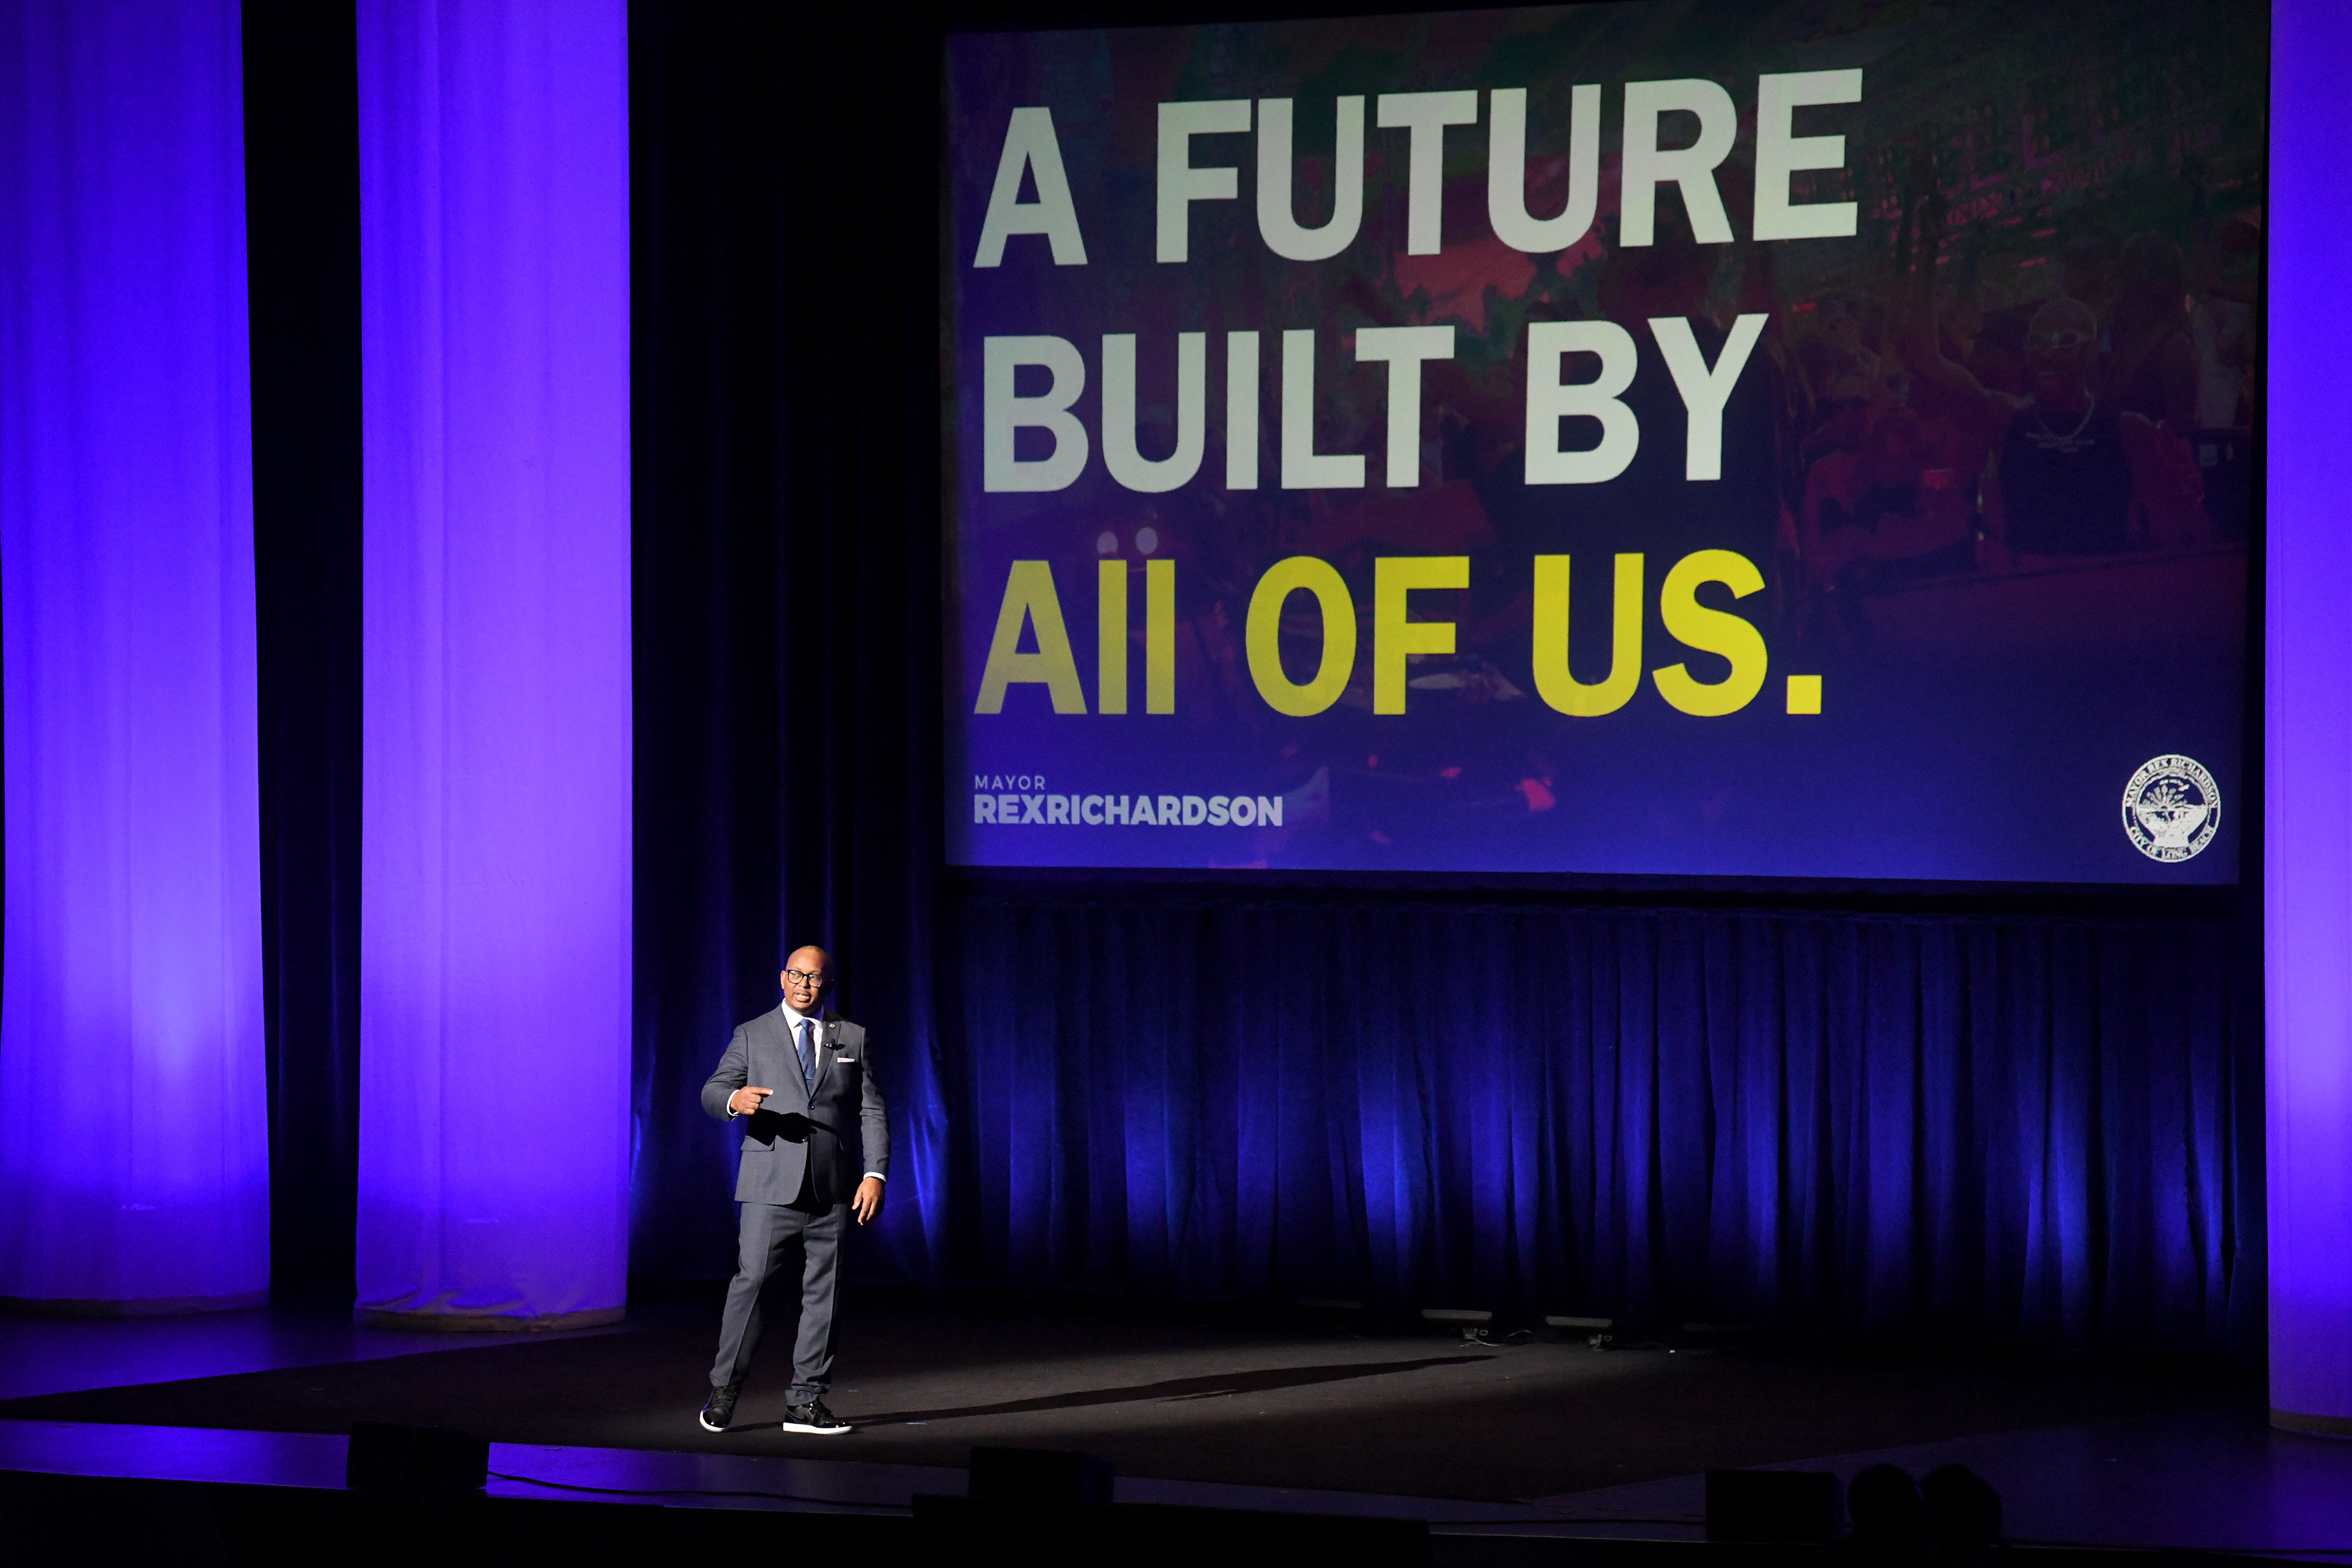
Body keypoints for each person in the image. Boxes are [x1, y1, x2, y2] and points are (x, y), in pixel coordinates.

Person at [697, 946, 888, 1435]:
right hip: (769, 1185)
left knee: (825, 1292)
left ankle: (805, 1402)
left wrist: (875, 1174)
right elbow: (714, 1090)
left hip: (833, 1187)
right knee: (753, 1282)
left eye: (815, 978)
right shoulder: (752, 1034)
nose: (805, 985)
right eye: (797, 975)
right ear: (783, 978)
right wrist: (735, 1101)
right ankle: (725, 1391)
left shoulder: (851, 1037)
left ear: (828, 985)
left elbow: (871, 1109)